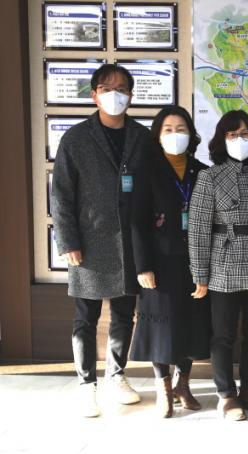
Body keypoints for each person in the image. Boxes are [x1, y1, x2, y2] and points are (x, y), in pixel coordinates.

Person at [51, 64, 150, 417]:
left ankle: (116, 376)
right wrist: (68, 241)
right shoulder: (76, 138)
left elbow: (153, 186)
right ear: (94, 95)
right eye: (107, 88)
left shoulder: (142, 137)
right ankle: (86, 384)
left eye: (122, 88)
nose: (115, 94)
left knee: (124, 313)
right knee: (86, 316)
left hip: (130, 242)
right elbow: (61, 195)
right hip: (89, 242)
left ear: (131, 96)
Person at [188, 110, 248, 421]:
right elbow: (198, 229)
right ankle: (226, 395)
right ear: (221, 140)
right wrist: (200, 275)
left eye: (245, 134)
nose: (239, 140)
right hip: (223, 265)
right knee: (223, 336)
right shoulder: (209, 177)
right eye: (232, 135)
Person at [129, 106, 211, 418]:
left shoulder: (202, 171)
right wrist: (142, 266)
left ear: (191, 134)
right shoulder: (146, 169)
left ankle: (182, 384)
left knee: (190, 321)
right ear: (158, 135)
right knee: (161, 326)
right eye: (168, 129)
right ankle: (163, 387)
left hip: (195, 259)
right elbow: (136, 222)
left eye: (181, 129)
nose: (175, 135)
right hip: (159, 261)